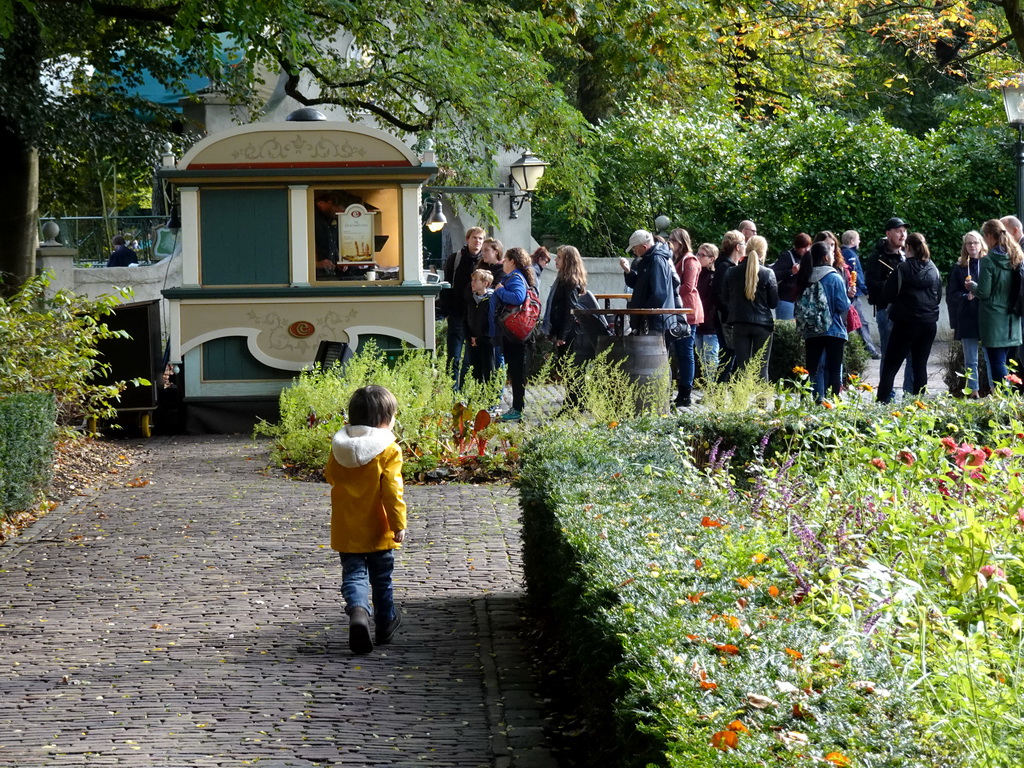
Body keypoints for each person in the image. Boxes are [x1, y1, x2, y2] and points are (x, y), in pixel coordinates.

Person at [325, 385, 407, 655]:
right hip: (379, 530)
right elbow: (392, 491)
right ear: (385, 420)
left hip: (347, 529)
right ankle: (385, 624)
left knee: (354, 575)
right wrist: (398, 524)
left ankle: (359, 612)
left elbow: (331, 476)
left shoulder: (339, 447)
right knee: (382, 579)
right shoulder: (388, 449)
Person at [875, 232, 942, 403]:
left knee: (891, 366)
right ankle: (919, 404)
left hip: (905, 323)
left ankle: (881, 402)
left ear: (908, 248)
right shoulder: (933, 269)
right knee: (920, 366)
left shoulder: (902, 269)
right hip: (928, 323)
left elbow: (887, 294)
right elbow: (938, 295)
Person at [966, 219, 1024, 386]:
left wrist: (972, 286)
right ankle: (1010, 398)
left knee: (997, 362)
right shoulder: (1016, 256)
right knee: (1009, 363)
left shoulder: (988, 260)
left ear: (990, 236)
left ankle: (1003, 399)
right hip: (1013, 318)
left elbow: (984, 292)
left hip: (993, 318)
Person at [796, 241, 850, 402]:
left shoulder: (805, 275)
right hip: (833, 330)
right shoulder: (834, 277)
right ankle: (832, 403)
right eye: (832, 254)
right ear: (826, 257)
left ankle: (810, 401)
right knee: (833, 369)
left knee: (812, 369)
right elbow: (843, 305)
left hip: (811, 329)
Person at [722, 234, 778, 380]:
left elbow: (725, 298)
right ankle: (761, 403)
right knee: (761, 368)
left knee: (742, 368)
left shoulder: (731, 272)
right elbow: (773, 303)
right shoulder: (768, 273)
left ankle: (742, 402)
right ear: (763, 252)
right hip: (763, 325)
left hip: (740, 323)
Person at [866, 217, 913, 393]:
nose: (902, 234)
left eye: (904, 231)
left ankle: (910, 395)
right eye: (898, 230)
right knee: (889, 355)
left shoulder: (906, 254)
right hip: (887, 311)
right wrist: (894, 285)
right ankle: (887, 395)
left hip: (907, 311)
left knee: (911, 354)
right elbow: (871, 284)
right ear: (888, 234)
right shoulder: (877, 257)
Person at [491, 247, 537, 422]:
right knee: (516, 371)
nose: (503, 262)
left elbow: (518, 297)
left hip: (514, 333)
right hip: (515, 332)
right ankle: (517, 407)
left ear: (513, 261)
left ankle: (518, 408)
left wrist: (500, 290)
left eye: (506, 259)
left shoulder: (515, 278)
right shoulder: (516, 276)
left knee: (517, 372)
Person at [439, 227, 485, 389]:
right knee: (454, 357)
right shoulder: (455, 258)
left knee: (471, 359)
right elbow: (446, 285)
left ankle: (466, 391)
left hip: (476, 317)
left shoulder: (484, 262)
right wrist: (446, 311)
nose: (477, 241)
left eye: (480, 238)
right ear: (467, 239)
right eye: (475, 238)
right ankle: (452, 392)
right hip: (457, 314)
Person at [547, 245, 591, 414]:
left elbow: (570, 310)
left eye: (559, 257)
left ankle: (574, 403)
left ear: (568, 261)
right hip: (564, 329)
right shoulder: (563, 278)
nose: (555, 260)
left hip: (571, 331)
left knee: (571, 368)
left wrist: (562, 335)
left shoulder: (570, 281)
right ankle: (575, 401)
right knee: (567, 367)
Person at [946, 231, 985, 397]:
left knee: (991, 357)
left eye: (975, 242)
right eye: (969, 243)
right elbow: (951, 292)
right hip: (967, 316)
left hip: (986, 315)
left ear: (981, 244)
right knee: (971, 358)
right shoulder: (960, 266)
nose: (972, 246)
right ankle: (973, 390)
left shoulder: (987, 263)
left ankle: (993, 388)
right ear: (965, 246)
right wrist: (965, 296)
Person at [618, 229, 675, 334]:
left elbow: (659, 294)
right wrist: (628, 271)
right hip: (650, 318)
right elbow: (639, 285)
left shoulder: (656, 260)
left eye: (634, 248)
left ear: (644, 246)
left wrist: (643, 311)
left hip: (655, 320)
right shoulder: (647, 260)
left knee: (652, 350)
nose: (634, 252)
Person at [669, 228, 701, 406]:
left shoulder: (690, 261)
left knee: (686, 353)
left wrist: (669, 294)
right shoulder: (678, 260)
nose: (670, 244)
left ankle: (686, 392)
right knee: (681, 353)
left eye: (672, 240)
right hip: (679, 310)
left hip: (687, 311)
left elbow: (688, 286)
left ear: (680, 242)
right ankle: (681, 390)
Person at [710, 231, 746, 380]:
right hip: (725, 319)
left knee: (730, 356)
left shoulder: (729, 266)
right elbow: (717, 295)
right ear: (737, 247)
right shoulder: (725, 267)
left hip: (728, 318)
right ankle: (718, 392)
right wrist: (730, 312)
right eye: (743, 244)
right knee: (727, 356)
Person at [840, 230, 881, 358]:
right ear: (852, 241)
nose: (859, 242)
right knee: (861, 323)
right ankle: (870, 350)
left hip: (845, 293)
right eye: (858, 239)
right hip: (852, 294)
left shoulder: (841, 253)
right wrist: (866, 290)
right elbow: (855, 275)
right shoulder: (851, 255)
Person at [771, 233, 810, 320]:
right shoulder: (787, 256)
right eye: (803, 247)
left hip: (799, 301)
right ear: (797, 247)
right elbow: (773, 275)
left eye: (808, 247)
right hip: (785, 300)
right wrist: (791, 272)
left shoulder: (806, 258)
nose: (806, 250)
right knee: (785, 330)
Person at [694, 243, 720, 378]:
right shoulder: (697, 275)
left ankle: (712, 389)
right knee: (701, 358)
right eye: (697, 254)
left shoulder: (713, 277)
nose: (698, 257)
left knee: (710, 358)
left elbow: (712, 302)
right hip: (698, 323)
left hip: (709, 325)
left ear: (712, 259)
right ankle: (707, 386)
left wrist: (705, 319)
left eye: (702, 255)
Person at [466, 269, 495, 385]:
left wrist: (481, 339)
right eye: (472, 280)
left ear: (485, 283)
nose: (472, 283)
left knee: (489, 373)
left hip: (486, 342)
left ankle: (490, 400)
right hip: (472, 342)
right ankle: (476, 399)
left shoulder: (491, 300)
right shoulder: (471, 299)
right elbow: (466, 320)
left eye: (476, 280)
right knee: (475, 373)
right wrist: (469, 337)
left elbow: (492, 323)